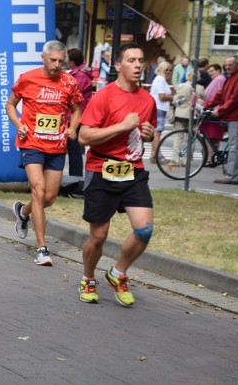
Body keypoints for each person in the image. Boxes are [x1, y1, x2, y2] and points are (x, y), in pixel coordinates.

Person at [77, 42, 156, 307]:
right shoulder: (104, 96)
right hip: (102, 169)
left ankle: (118, 273)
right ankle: (88, 278)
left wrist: (147, 133)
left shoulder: (148, 100)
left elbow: (146, 131)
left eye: (140, 60)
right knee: (98, 237)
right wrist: (121, 126)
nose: (137, 65)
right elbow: (84, 136)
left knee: (144, 230)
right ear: (118, 65)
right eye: (131, 60)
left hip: (133, 171)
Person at [5, 40, 82, 266]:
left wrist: (73, 128)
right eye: (53, 60)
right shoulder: (28, 78)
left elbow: (77, 109)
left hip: (57, 146)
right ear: (43, 58)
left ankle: (23, 212)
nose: (57, 65)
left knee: (48, 197)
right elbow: (10, 104)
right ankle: (42, 249)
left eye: (61, 61)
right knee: (38, 190)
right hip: (31, 143)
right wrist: (19, 125)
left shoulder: (69, 82)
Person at [204, 56, 238, 184]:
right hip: (233, 115)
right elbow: (220, 95)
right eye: (226, 65)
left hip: (237, 116)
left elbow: (235, 98)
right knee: (237, 145)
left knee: (234, 146)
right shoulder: (230, 78)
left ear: (237, 65)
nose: (227, 67)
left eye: (230, 65)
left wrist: (219, 111)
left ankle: (232, 176)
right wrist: (206, 105)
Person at [66, 47, 94, 177]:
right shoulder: (80, 74)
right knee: (73, 148)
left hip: (75, 116)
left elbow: (74, 95)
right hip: (75, 115)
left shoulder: (80, 76)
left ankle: (75, 177)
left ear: (72, 62)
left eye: (66, 59)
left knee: (74, 148)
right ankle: (74, 176)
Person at [169, 69, 203, 166]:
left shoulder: (182, 86)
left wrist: (180, 102)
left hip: (181, 115)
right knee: (191, 139)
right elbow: (201, 102)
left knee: (178, 138)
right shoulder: (200, 88)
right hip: (193, 116)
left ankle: (175, 160)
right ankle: (186, 161)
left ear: (188, 76)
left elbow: (175, 101)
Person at [148, 61, 174, 164]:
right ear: (161, 69)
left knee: (156, 133)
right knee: (157, 133)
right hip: (159, 108)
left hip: (160, 108)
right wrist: (175, 98)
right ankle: (157, 155)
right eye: (166, 69)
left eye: (170, 70)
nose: (168, 72)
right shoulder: (160, 79)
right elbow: (162, 96)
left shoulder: (161, 79)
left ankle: (155, 154)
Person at [200, 63, 227, 163]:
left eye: (212, 71)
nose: (210, 73)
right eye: (209, 71)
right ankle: (212, 158)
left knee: (210, 136)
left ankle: (209, 159)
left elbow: (217, 95)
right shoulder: (218, 79)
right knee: (214, 137)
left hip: (214, 111)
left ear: (218, 70)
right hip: (214, 110)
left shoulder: (219, 79)